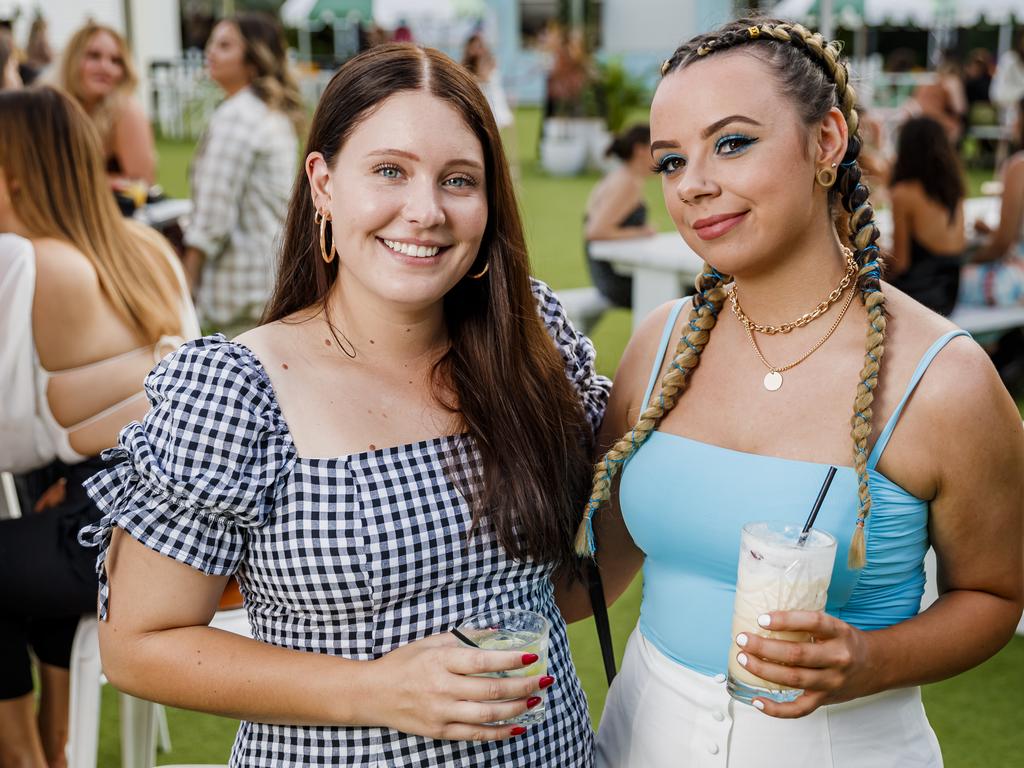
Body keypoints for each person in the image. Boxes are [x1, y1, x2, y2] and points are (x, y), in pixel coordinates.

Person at [79, 43, 608, 767]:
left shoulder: (528, 347)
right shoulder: (239, 391)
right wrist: (372, 689)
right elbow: (139, 645)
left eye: (459, 180)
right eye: (389, 171)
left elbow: (565, 593)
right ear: (323, 184)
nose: (424, 212)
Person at [556, 18, 1023, 768]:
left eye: (732, 142)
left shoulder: (946, 379)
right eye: (671, 161)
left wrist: (868, 661)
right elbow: (584, 580)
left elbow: (996, 598)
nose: (696, 183)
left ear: (827, 141)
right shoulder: (661, 342)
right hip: (642, 737)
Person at [0, 86, 197, 768]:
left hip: (106, 542)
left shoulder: (28, 261)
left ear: (16, 173)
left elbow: (8, 432)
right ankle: (55, 741)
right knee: (28, 523)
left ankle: (22, 752)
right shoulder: (147, 248)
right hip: (173, 526)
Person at [182, 12, 302, 336]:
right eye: (211, 43)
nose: (211, 53)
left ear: (253, 59)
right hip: (270, 275)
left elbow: (213, 215)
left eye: (224, 45)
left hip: (238, 286)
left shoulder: (237, 116)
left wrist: (186, 281)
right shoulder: (269, 111)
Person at [58, 22, 156, 186]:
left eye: (116, 61)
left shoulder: (126, 111)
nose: (105, 67)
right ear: (72, 60)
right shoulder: (58, 109)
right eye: (94, 56)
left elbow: (142, 185)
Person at [887, 116, 965, 316]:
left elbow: (901, 264)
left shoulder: (903, 193)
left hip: (920, 296)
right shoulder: (953, 190)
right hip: (950, 293)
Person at [584, 124, 655, 308]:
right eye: (656, 148)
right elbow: (595, 231)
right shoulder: (626, 183)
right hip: (616, 280)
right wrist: (641, 232)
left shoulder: (625, 177)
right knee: (687, 292)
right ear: (640, 150)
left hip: (617, 272)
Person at [961, 96, 1024, 306]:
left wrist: (968, 262)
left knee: (952, 284)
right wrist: (990, 231)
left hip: (1018, 278)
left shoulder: (1019, 167)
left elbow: (1002, 244)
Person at [462, 33, 513, 130]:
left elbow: (485, 78)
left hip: (491, 99)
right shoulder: (466, 62)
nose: (475, 49)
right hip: (476, 99)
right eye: (473, 46)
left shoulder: (489, 60)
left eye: (478, 46)